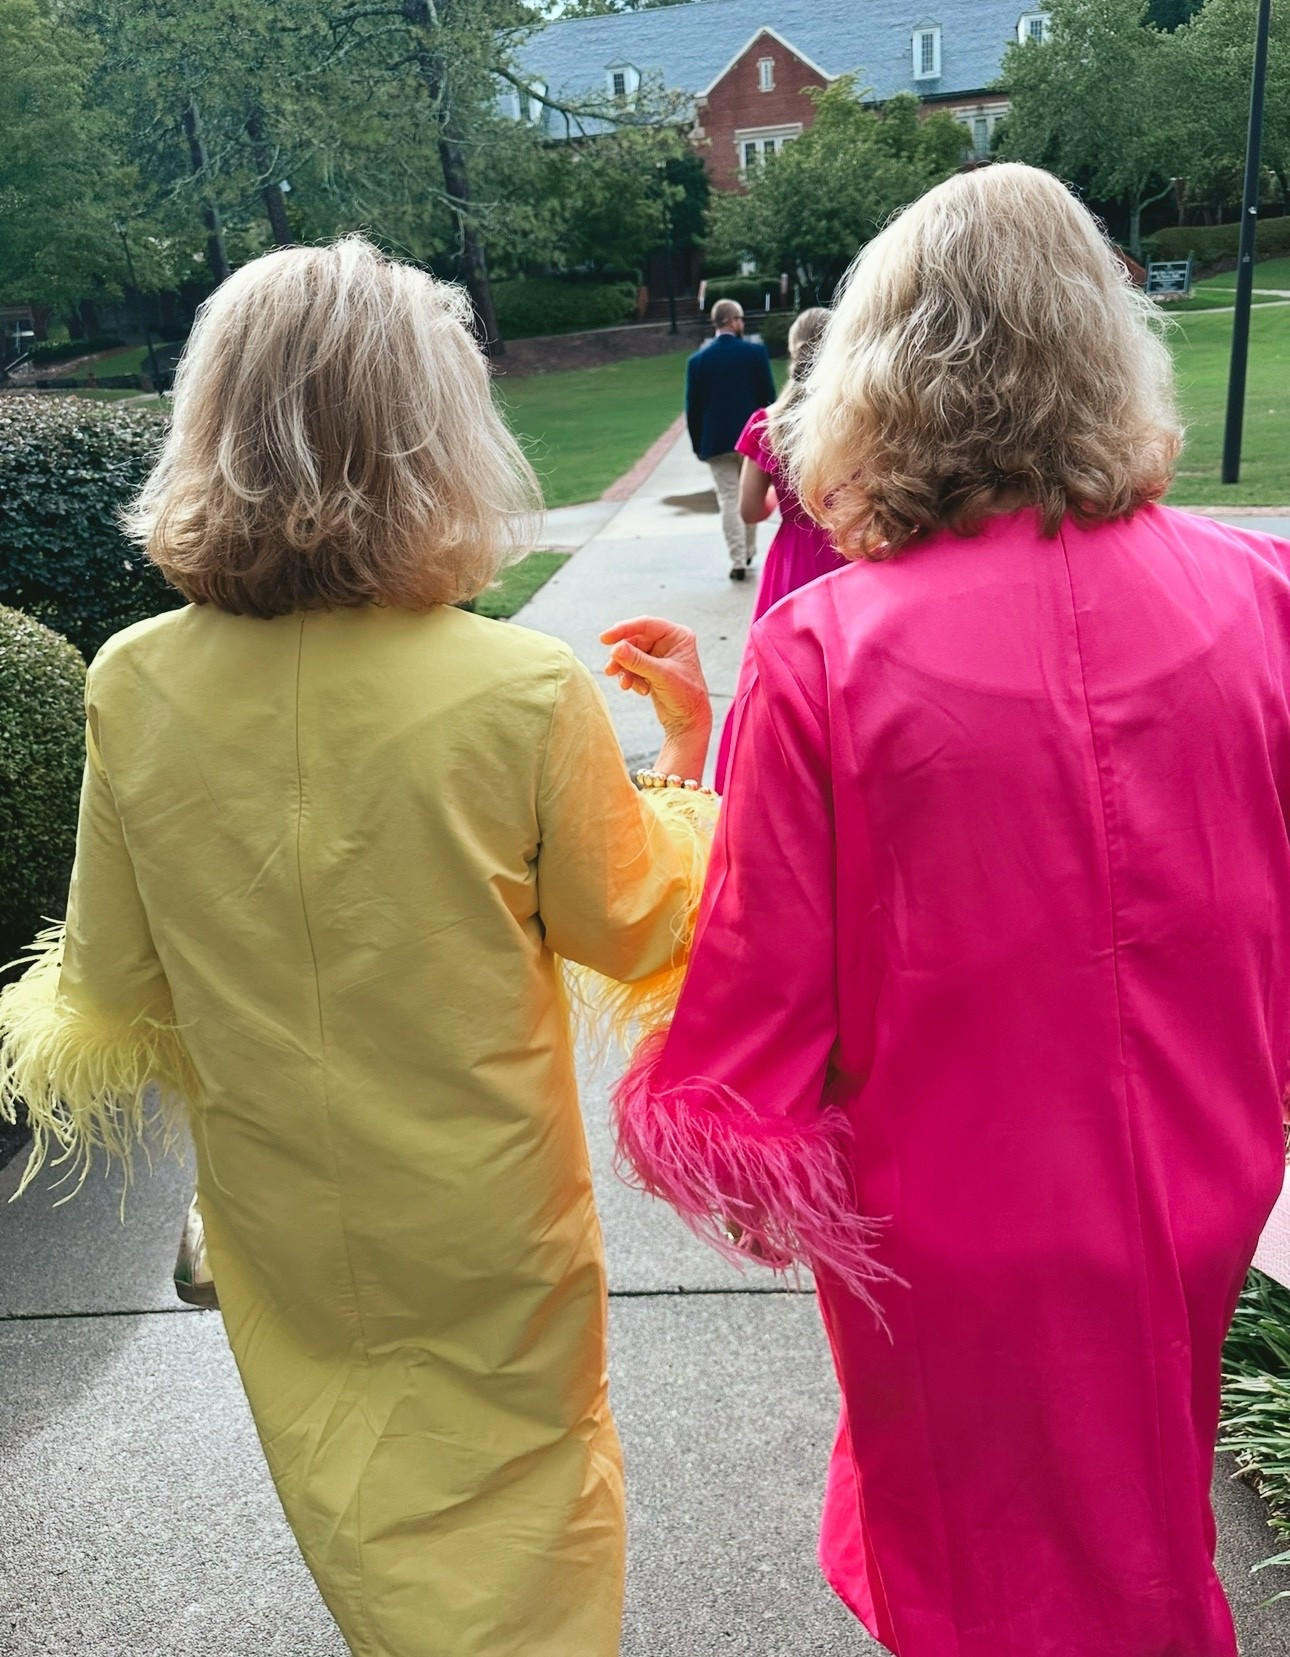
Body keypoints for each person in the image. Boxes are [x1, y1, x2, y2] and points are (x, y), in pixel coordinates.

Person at [0, 236, 715, 1657]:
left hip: (282, 1219)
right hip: (486, 1220)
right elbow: (633, 917)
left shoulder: (136, 682)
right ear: (437, 439)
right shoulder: (517, 688)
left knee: (361, 1515)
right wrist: (688, 765)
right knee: (533, 1518)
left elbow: (116, 981)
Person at [611, 163, 1290, 1657]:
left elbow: (761, 1001)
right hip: (1194, 1177)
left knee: (970, 1560)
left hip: (947, 1206)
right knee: (1140, 1499)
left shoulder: (826, 649)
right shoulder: (1259, 593)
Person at [713, 306, 846, 790]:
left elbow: (751, 511)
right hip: (845, 553)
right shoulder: (856, 422)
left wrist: (783, 496)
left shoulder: (768, 424)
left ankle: (774, 785)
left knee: (780, 686)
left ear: (790, 351)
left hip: (791, 559)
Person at [684, 297, 776, 580]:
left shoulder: (698, 361)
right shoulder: (755, 354)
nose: (742, 324)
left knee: (728, 499)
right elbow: (769, 400)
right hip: (752, 441)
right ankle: (748, 550)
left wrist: (699, 445)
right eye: (741, 319)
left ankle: (737, 559)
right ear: (733, 321)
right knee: (751, 495)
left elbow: (693, 408)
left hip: (717, 442)